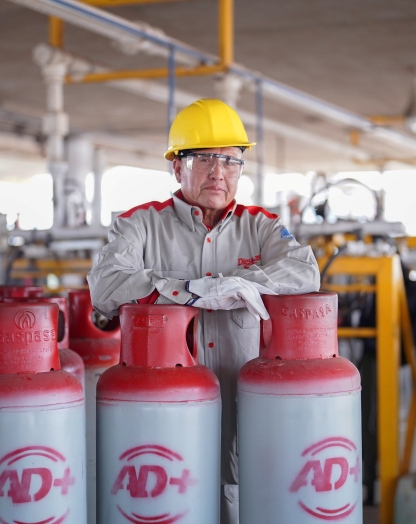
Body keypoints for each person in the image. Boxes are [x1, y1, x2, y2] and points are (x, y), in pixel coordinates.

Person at [88, 98, 320, 523]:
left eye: (231, 161)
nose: (219, 172)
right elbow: (105, 285)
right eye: (204, 159)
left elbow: (305, 272)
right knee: (170, 497)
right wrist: (186, 290)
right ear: (177, 167)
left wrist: (241, 286)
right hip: (162, 403)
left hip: (244, 395)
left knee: (245, 493)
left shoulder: (262, 226)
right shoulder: (138, 225)